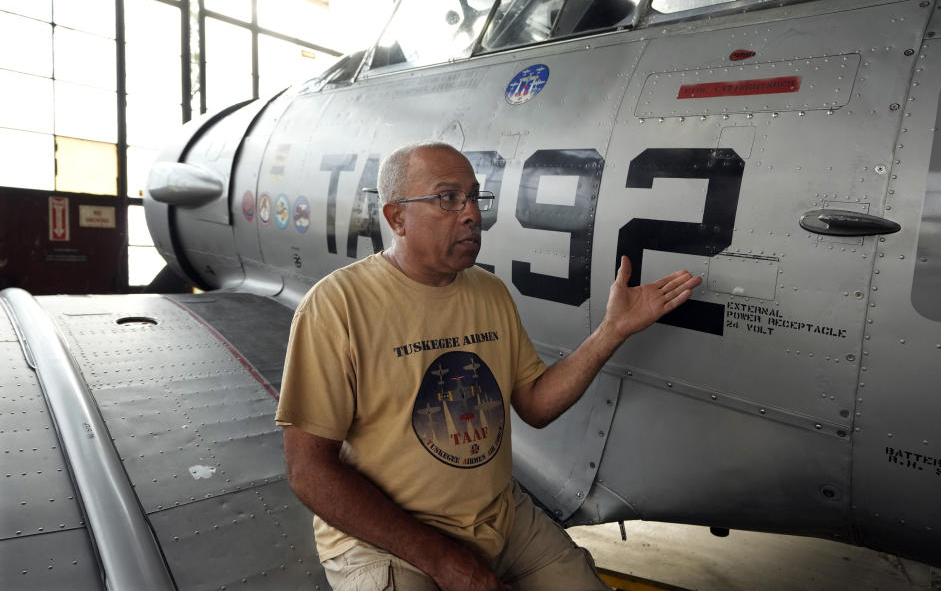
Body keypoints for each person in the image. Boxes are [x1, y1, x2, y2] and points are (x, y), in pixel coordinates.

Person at [276, 141, 702, 590]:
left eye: (474, 197)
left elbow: (535, 405)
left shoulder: (488, 292)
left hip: (497, 517)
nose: (472, 214)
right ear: (396, 217)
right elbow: (309, 472)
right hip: (387, 539)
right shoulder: (336, 306)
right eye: (447, 198)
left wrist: (612, 331)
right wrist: (442, 559)